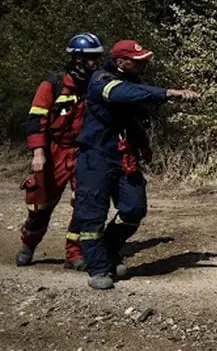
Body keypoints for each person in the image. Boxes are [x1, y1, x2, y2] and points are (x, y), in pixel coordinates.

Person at [73, 39, 200, 290]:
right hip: (96, 156)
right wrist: (168, 92)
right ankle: (98, 268)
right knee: (92, 216)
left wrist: (144, 145)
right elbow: (121, 94)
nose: (144, 63)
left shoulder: (133, 81)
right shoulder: (101, 80)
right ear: (120, 61)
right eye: (137, 60)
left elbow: (132, 120)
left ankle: (110, 250)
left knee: (134, 209)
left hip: (124, 156)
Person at [16, 33, 106, 269]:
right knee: (39, 206)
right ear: (77, 58)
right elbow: (36, 119)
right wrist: (38, 153)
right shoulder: (53, 84)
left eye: (98, 57)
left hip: (85, 152)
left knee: (84, 204)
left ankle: (74, 254)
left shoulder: (97, 84)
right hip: (55, 151)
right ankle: (28, 244)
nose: (96, 62)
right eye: (91, 58)